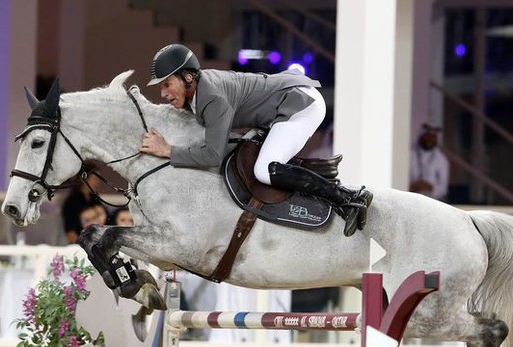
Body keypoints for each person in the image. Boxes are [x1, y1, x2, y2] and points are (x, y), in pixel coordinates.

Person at [138, 44, 372, 237]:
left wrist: (169, 150)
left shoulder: (212, 98)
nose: (163, 94)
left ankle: (349, 198)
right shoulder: (199, 90)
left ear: (188, 77)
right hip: (278, 107)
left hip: (299, 105)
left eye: (167, 84)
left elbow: (212, 155)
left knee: (264, 169)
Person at [409, 124, 449, 202]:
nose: (430, 139)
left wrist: (430, 187)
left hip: (433, 202)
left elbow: (443, 188)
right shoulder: (409, 155)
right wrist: (412, 186)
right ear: (421, 136)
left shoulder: (441, 160)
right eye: (427, 135)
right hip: (410, 198)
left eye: (433, 136)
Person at [61, 175, 102, 243]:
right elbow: (70, 231)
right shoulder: (72, 201)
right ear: (84, 179)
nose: (98, 182)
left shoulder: (95, 199)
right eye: (95, 178)